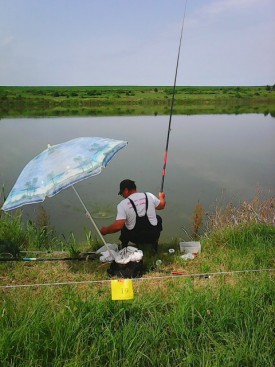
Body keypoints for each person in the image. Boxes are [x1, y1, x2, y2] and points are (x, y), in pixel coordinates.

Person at [100, 179, 166, 253]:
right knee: (158, 219)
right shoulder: (149, 195)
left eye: (122, 193)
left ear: (126, 190)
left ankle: (124, 247)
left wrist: (106, 230)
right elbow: (161, 206)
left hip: (135, 238)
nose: (123, 196)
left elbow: (118, 226)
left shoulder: (123, 204)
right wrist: (161, 197)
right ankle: (154, 246)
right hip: (152, 235)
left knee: (123, 223)